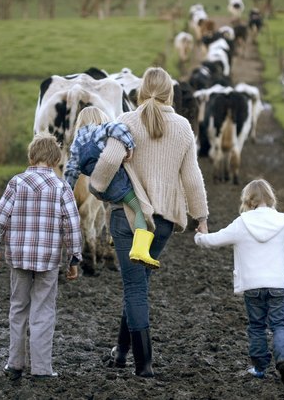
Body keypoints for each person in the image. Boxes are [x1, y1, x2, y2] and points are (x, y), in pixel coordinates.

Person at [90, 66, 209, 378]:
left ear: (140, 92)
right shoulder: (183, 127)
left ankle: (143, 365)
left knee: (134, 287)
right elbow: (192, 177)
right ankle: (121, 353)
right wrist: (201, 217)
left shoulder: (126, 121)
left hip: (128, 219)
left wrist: (96, 187)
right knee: (138, 284)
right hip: (164, 222)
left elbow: (108, 161)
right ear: (170, 93)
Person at [194, 179, 284, 387]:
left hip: (252, 287)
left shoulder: (242, 222)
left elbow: (213, 240)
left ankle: (259, 368)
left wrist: (200, 237)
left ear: (248, 200)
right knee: (280, 325)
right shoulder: (283, 220)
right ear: (270, 199)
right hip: (278, 285)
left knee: (257, 326)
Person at [0, 132, 83, 381]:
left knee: (18, 307)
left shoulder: (16, 183)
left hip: (18, 258)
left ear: (32, 156)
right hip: (48, 260)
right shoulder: (62, 187)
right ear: (55, 159)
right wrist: (74, 258)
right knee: (43, 310)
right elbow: (72, 225)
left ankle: (14, 364)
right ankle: (41, 368)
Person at [64, 106, 159, 269]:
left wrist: (66, 190)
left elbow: (71, 170)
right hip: (116, 183)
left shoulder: (77, 142)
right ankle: (140, 250)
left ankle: (113, 237)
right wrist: (130, 147)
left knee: (114, 206)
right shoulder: (101, 130)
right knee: (139, 209)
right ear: (100, 118)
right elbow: (119, 128)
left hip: (97, 188)